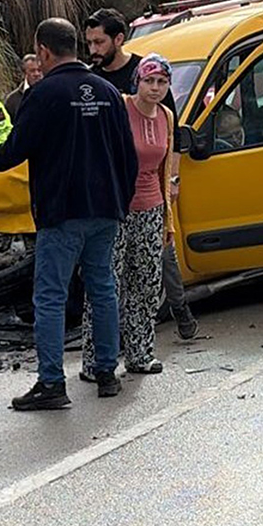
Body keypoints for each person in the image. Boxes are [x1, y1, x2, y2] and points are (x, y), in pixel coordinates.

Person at [0, 18, 138, 410]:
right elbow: (128, 156)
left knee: (51, 297)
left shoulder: (43, 95)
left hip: (62, 211)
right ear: (75, 45)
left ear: (42, 51)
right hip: (105, 209)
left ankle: (52, 383)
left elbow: (12, 152)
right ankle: (107, 373)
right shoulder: (108, 92)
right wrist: (120, 203)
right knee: (103, 289)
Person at [85, 8, 198, 338]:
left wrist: (173, 179)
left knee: (162, 253)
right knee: (113, 265)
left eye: (99, 41)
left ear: (118, 40)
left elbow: (172, 130)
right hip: (112, 191)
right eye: (89, 42)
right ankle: (113, 333)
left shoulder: (148, 73)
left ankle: (180, 310)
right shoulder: (95, 81)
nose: (93, 49)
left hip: (151, 186)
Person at [84, 54, 175, 377]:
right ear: (137, 80)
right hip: (115, 209)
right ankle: (96, 360)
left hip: (151, 208)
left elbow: (166, 169)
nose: (155, 87)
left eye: (162, 81)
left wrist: (168, 219)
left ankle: (140, 353)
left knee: (146, 283)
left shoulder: (166, 115)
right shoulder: (120, 107)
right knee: (107, 284)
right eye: (149, 80)